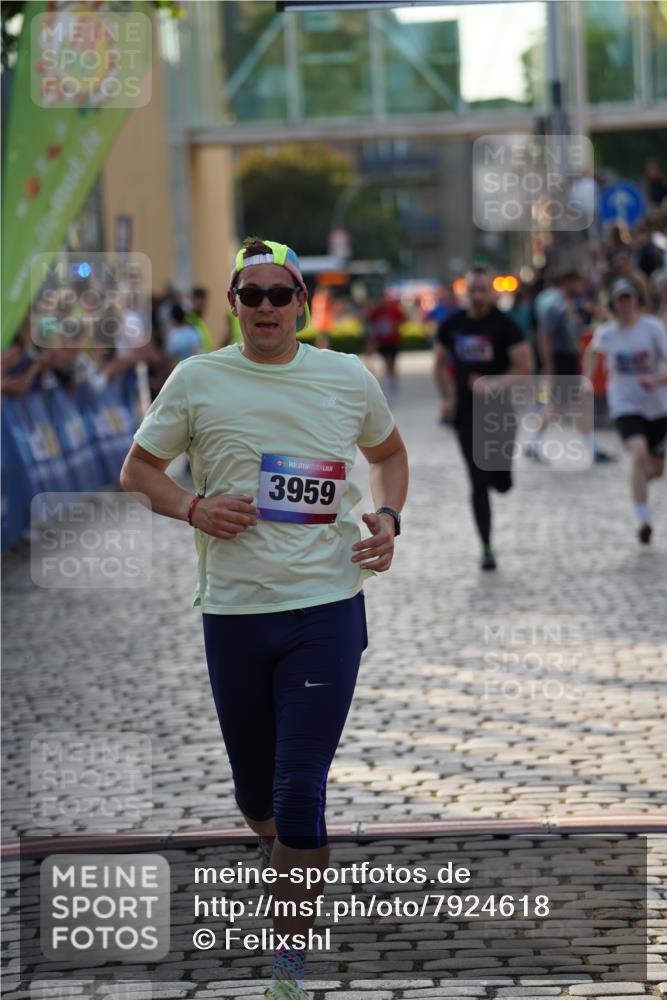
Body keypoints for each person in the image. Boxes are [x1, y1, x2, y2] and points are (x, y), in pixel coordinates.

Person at [119, 236, 408, 1000]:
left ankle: (286, 968)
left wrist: (387, 516)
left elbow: (391, 453)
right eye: (253, 296)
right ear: (233, 304)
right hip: (236, 615)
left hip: (325, 609)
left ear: (303, 304)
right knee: (256, 800)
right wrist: (192, 506)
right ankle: (281, 860)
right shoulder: (197, 378)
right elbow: (137, 470)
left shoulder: (345, 377)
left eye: (281, 294)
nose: (267, 308)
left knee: (296, 790)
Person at [434, 267, 532, 570]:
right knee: (477, 482)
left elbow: (524, 367)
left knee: (500, 483)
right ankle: (486, 547)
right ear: (466, 292)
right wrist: (447, 398)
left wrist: (493, 384)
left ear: (491, 292)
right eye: (473, 290)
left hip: (499, 413)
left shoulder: (505, 326)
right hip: (465, 415)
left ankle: (501, 476)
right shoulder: (453, 324)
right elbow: (438, 364)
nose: (477, 295)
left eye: (482, 290)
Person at [583, 278, 667, 545]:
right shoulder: (607, 333)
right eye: (620, 300)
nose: (626, 304)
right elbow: (591, 353)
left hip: (656, 404)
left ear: (637, 301)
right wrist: (586, 380)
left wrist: (656, 380)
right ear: (614, 304)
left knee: (655, 467)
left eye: (629, 298)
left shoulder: (652, 328)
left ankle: (643, 475)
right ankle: (643, 519)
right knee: (638, 452)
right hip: (624, 404)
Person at [526, 270, 614, 464]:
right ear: (568, 283)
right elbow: (544, 336)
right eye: (578, 283)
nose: (581, 287)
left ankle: (534, 444)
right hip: (561, 360)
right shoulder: (554, 306)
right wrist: (549, 365)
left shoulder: (574, 305)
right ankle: (533, 444)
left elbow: (599, 319)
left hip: (569, 359)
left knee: (569, 406)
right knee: (562, 406)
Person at [366, 290, 405, 399]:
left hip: (393, 341)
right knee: (386, 361)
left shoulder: (394, 310)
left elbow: (402, 319)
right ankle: (389, 382)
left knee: (392, 362)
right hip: (382, 342)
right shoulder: (375, 312)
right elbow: (371, 325)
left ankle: (393, 381)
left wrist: (397, 328)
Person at [186, 285, 216, 352]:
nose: (204, 306)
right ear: (192, 301)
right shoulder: (188, 322)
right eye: (201, 302)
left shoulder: (200, 322)